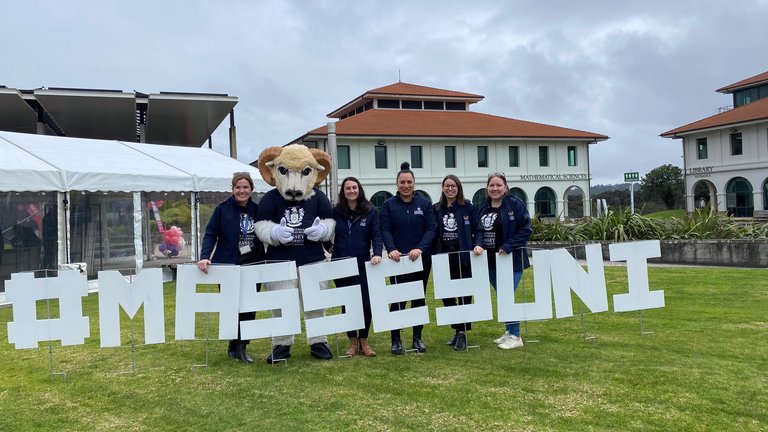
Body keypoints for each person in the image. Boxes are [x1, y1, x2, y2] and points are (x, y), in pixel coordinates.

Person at [197, 171, 264, 364]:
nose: (242, 191)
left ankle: (242, 346)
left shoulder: (258, 210)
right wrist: (204, 257)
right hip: (227, 265)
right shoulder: (222, 209)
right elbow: (210, 234)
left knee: (249, 308)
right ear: (232, 189)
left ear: (251, 189)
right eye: (238, 187)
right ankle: (232, 344)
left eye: (245, 187)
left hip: (252, 264)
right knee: (231, 307)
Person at [380, 162, 436, 354]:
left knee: (418, 298)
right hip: (397, 261)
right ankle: (396, 339)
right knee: (398, 300)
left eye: (409, 182)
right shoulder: (388, 205)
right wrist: (391, 249)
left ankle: (417, 338)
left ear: (414, 183)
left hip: (420, 259)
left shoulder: (425, 204)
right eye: (402, 182)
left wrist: (420, 248)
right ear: (397, 184)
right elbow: (385, 229)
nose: (406, 185)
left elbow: (431, 229)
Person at [474, 172, 532, 350]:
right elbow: (479, 231)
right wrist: (478, 245)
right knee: (502, 297)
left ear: (506, 187)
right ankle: (509, 331)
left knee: (506, 295)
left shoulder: (516, 205)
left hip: (511, 260)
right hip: (490, 261)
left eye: (499, 185)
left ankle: (516, 335)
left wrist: (508, 246)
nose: (495, 188)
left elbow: (526, 229)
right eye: (492, 185)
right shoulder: (483, 208)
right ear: (487, 188)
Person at [332, 177, 383, 357]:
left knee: (365, 304)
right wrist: (327, 248)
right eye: (348, 188)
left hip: (363, 264)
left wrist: (377, 253)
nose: (351, 191)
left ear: (359, 189)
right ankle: (352, 342)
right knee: (348, 304)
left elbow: (377, 236)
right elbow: (325, 231)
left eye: (354, 187)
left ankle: (364, 341)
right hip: (340, 265)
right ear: (343, 192)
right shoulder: (335, 212)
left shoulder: (370, 211)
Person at [433, 175, 482, 351]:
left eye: (453, 186)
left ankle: (462, 333)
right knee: (446, 296)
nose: (450, 189)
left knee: (464, 296)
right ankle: (457, 327)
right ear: (442, 188)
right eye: (447, 186)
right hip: (443, 258)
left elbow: (479, 229)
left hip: (463, 258)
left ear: (458, 188)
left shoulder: (467, 207)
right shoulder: (436, 208)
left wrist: (478, 244)